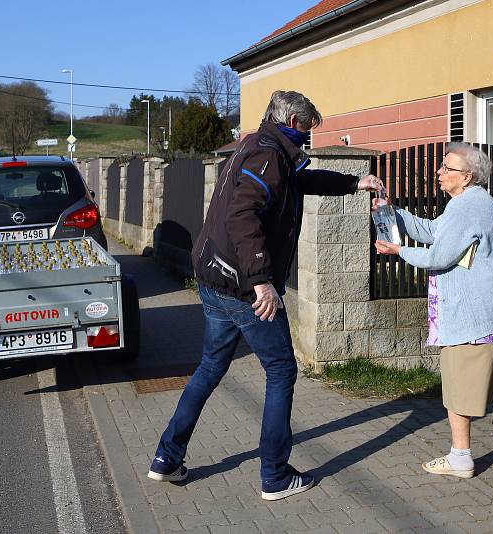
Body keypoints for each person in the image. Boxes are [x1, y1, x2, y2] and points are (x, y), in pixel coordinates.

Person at [148, 90, 383, 500]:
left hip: (214, 277)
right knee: (281, 371)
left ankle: (166, 458)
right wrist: (260, 279)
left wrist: (352, 183)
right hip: (242, 288)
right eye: (308, 127)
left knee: (210, 368)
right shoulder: (268, 155)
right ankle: (274, 475)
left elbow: (297, 181)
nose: (309, 136)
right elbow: (242, 216)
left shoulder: (261, 146)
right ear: (294, 121)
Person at [374, 142, 493, 479]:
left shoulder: (466, 207)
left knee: (457, 387)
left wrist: (399, 251)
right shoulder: (475, 202)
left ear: (466, 177)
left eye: (446, 168)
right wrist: (394, 213)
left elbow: (440, 256)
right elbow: (436, 231)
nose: (438, 172)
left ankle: (461, 457)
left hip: (473, 317)